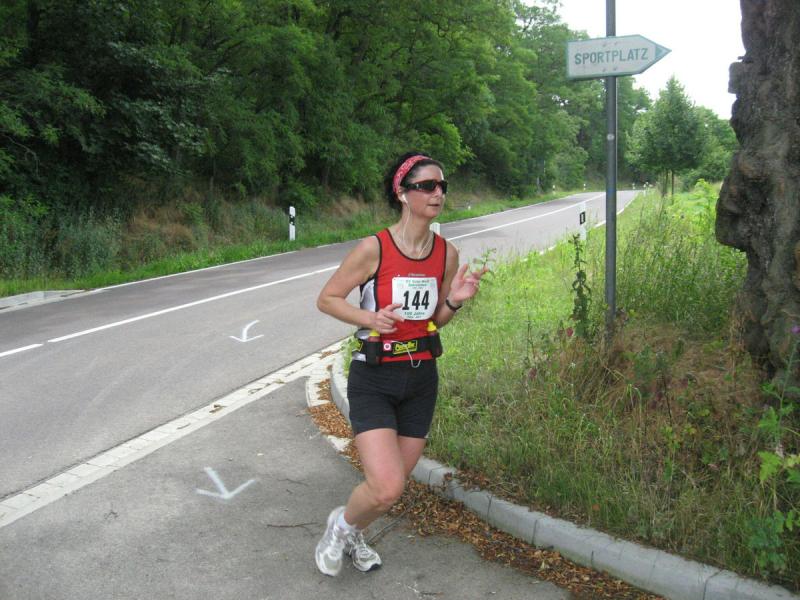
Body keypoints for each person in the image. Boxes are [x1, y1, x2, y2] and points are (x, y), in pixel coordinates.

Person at [314, 152, 489, 576]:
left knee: (392, 488)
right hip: (374, 376)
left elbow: (436, 320)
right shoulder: (373, 248)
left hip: (421, 377)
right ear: (402, 193)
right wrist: (369, 318)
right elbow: (328, 299)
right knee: (387, 486)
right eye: (427, 186)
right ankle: (339, 527)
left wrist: (454, 301)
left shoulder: (446, 253)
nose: (438, 193)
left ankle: (353, 532)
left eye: (442, 186)